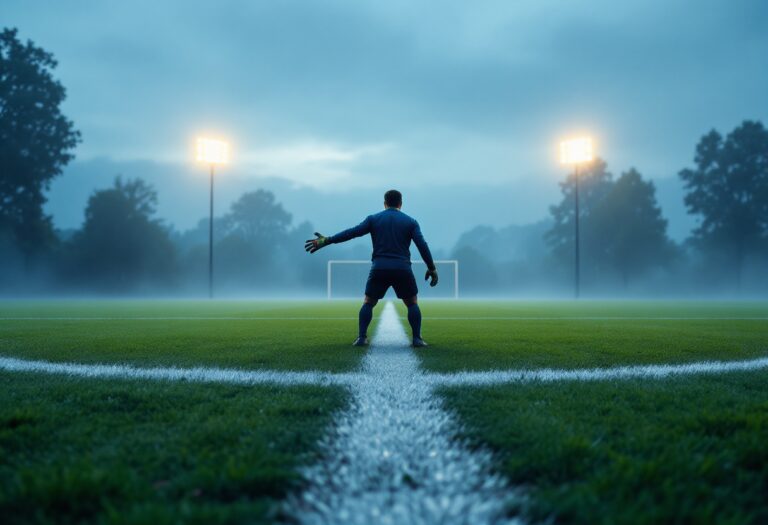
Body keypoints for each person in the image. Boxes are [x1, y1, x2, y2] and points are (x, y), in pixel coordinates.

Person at [304, 189, 438, 347]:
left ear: (384, 203)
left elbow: (351, 233)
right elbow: (422, 245)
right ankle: (417, 339)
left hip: (379, 268)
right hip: (402, 268)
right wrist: (431, 267)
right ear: (401, 204)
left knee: (368, 302)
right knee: (412, 303)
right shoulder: (411, 222)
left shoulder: (374, 219)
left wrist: (327, 240)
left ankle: (361, 337)